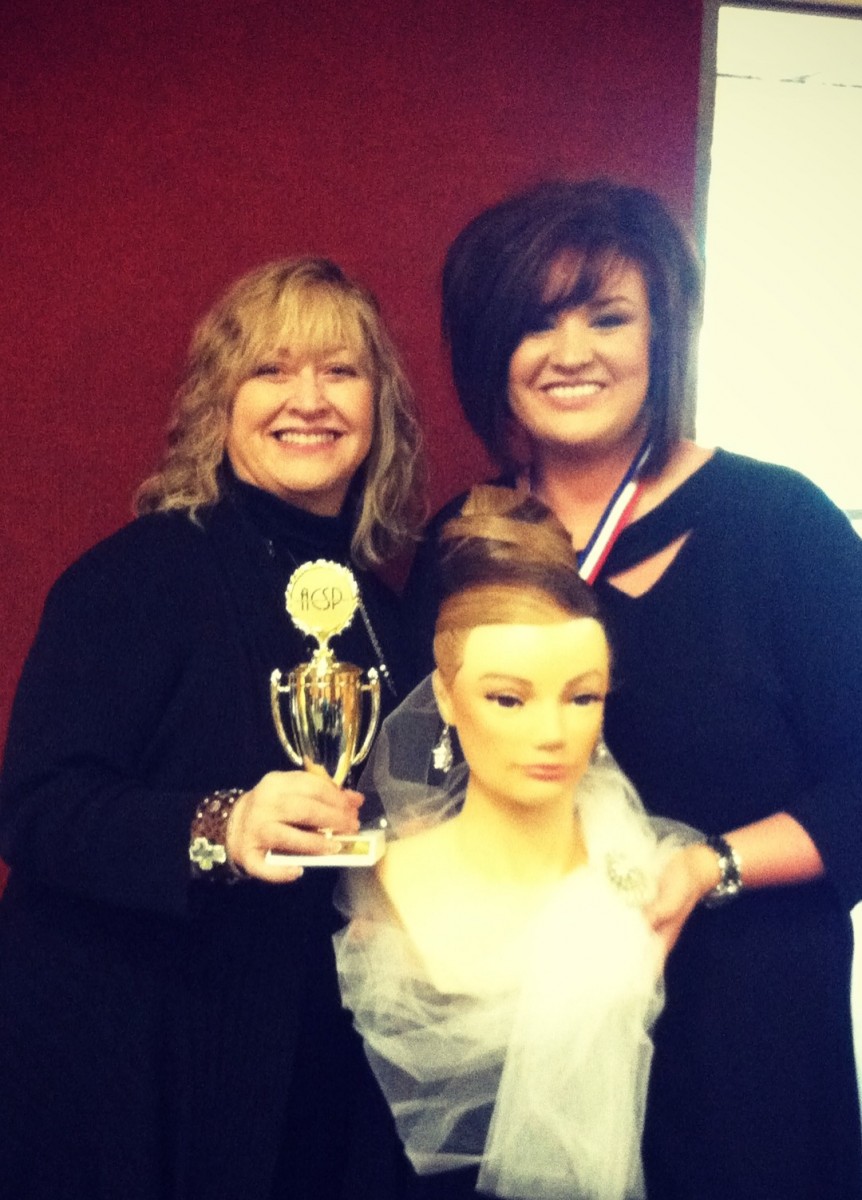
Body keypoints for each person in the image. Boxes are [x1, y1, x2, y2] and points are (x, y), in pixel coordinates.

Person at [405, 180, 862, 1199]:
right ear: (491, 351)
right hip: (521, 1047)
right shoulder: (462, 541)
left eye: (607, 317)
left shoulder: (782, 526)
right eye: (536, 323)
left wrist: (709, 866)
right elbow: (423, 781)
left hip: (741, 1037)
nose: (571, 352)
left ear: (662, 337)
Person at [0, 257, 424, 1200]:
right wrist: (222, 826)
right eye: (271, 369)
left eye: (340, 370)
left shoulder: (383, 618)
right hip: (139, 1072)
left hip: (310, 1073)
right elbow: (34, 808)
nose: (308, 399)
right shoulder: (138, 575)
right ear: (218, 403)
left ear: (379, 406)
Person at [336, 486, 699, 1200]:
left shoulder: (643, 878)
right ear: (446, 697)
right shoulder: (388, 882)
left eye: (582, 697)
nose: (552, 734)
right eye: (508, 698)